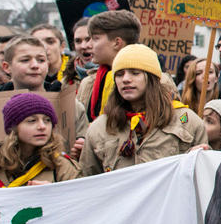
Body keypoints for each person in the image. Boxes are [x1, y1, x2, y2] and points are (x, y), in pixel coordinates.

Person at [80, 44, 207, 174]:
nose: (126, 79)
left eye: (135, 73)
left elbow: (202, 180)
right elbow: (86, 184)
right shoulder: (100, 127)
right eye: (119, 74)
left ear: (152, 78)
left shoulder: (186, 120)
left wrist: (202, 159)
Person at [0, 93, 80, 187]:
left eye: (47, 120)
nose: (42, 126)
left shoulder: (61, 165)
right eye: (32, 121)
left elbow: (80, 205)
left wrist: (54, 194)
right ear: (13, 128)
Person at [78, 10, 144, 122]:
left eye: (95, 39)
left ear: (117, 43)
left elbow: (181, 121)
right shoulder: (88, 82)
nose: (88, 45)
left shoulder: (154, 80)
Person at [64, 17, 96, 88]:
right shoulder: (66, 81)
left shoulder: (115, 75)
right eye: (78, 41)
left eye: (88, 39)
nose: (83, 46)